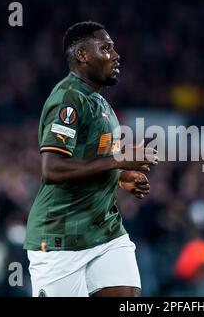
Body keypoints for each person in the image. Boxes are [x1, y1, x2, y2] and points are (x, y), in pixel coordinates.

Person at [23, 21, 158, 297]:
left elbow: (95, 161)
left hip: (105, 232)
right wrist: (119, 162)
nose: (116, 55)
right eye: (106, 48)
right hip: (60, 237)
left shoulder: (101, 104)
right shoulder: (68, 99)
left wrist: (121, 178)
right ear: (82, 55)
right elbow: (53, 168)